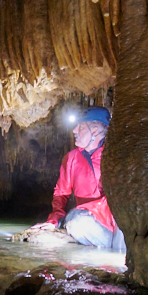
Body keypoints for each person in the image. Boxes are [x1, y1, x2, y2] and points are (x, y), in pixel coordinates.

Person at [32, 106, 126, 251]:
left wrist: (91, 208)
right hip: (89, 223)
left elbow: (122, 195)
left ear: (95, 130)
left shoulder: (115, 156)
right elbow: (61, 193)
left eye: (81, 127)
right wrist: (55, 219)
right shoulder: (72, 158)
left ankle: (121, 259)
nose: (74, 131)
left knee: (124, 217)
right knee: (74, 220)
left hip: (116, 224)